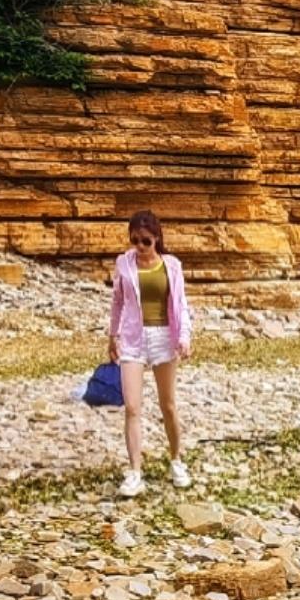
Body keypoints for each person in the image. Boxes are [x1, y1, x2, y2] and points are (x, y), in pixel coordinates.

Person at [107, 210, 193, 498]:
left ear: (156, 238)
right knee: (132, 407)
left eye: (145, 241)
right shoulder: (124, 263)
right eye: (134, 240)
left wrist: (184, 337)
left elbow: (180, 304)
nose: (139, 247)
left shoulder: (172, 265)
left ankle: (176, 460)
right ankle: (135, 472)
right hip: (133, 339)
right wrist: (112, 335)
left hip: (163, 338)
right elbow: (118, 301)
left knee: (168, 404)